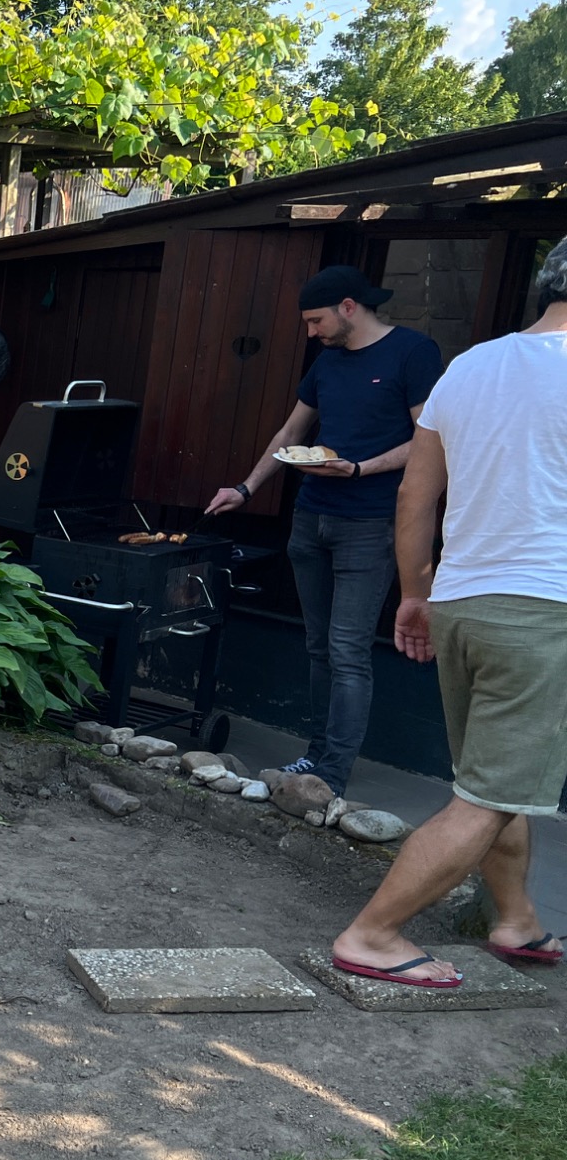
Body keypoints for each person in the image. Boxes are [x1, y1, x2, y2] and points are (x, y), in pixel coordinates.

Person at [329, 241, 567, 987]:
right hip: (544, 609)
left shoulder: (469, 366)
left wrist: (415, 593)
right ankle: (373, 935)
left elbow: (415, 494)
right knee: (488, 795)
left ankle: (516, 920)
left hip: (463, 599)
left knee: (491, 781)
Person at [206, 266, 443, 796]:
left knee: (347, 648)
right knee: (319, 647)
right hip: (311, 515)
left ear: (349, 306)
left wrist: (359, 469)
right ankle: (315, 756)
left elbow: (429, 439)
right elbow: (291, 431)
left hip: (371, 522)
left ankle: (332, 773)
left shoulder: (412, 352)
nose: (312, 332)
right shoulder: (328, 360)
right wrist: (246, 488)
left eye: (316, 321)